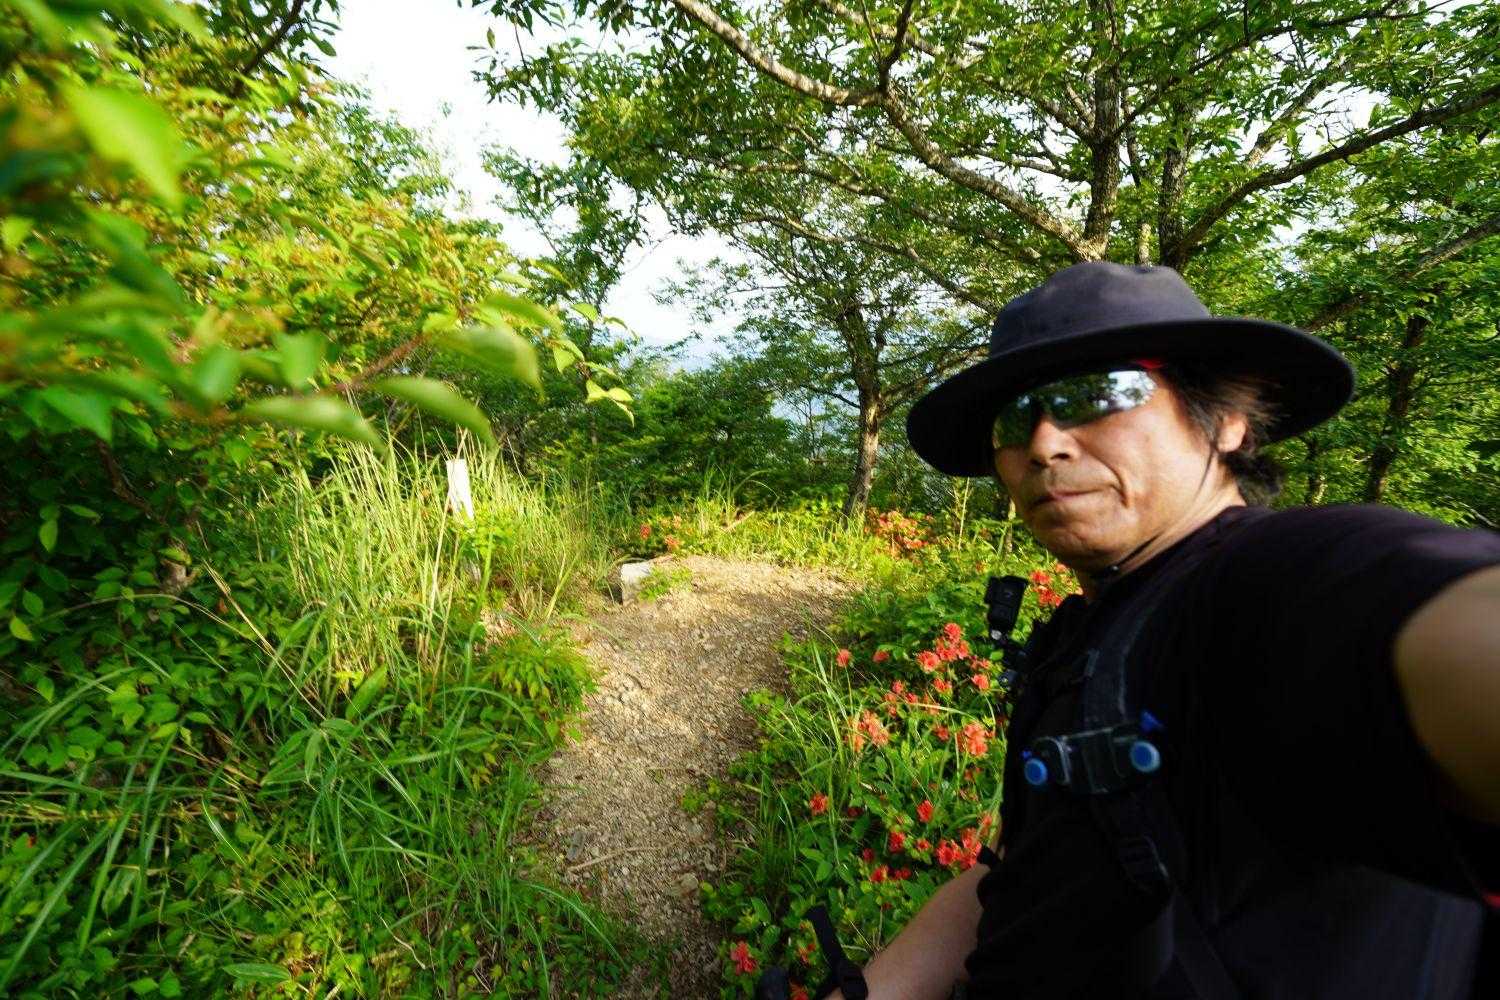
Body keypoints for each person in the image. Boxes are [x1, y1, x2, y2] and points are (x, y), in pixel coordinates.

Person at [831, 263, 1500, 998]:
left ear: (1226, 419)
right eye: (1015, 420)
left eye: (1100, 393)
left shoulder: (1268, 581)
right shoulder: (1093, 635)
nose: (1045, 443)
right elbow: (1023, 872)